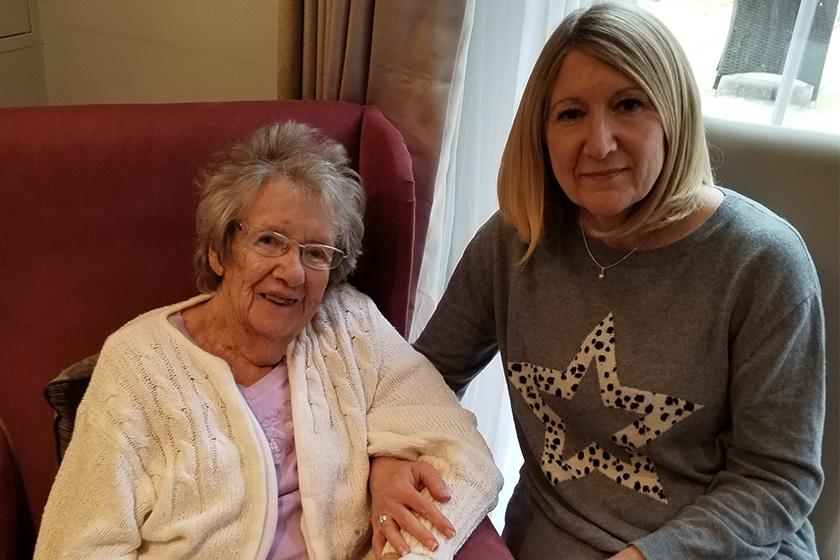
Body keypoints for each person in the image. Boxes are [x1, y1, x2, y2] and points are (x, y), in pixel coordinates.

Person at [369, 3, 826, 559]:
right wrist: (390, 456)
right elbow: (427, 378)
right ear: (541, 134)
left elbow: (777, 482)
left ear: (673, 114)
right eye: (570, 114)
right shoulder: (517, 239)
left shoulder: (764, 264)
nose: (600, 143)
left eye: (628, 105)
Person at [34, 121, 502, 559]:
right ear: (219, 251)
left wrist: (401, 530)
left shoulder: (349, 326)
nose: (293, 271)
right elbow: (75, 545)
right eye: (270, 241)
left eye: (316, 252)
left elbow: (466, 456)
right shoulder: (136, 366)